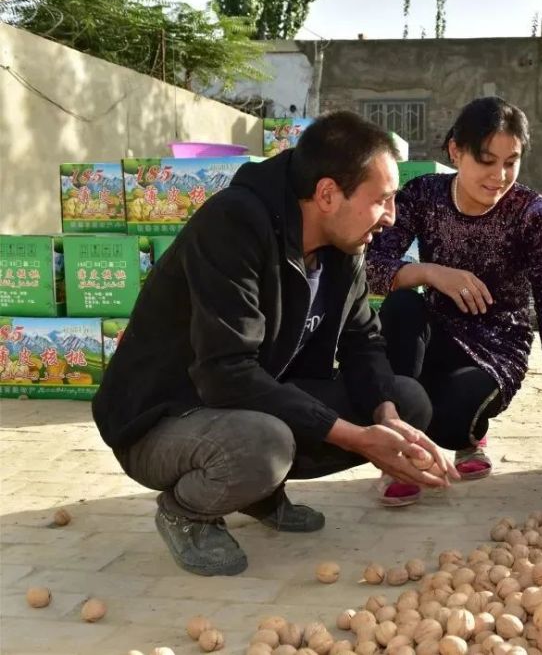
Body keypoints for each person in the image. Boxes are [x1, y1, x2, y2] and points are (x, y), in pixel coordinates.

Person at [92, 112, 457, 577]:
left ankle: (259, 493)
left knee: (405, 402)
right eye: (382, 200)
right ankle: (188, 511)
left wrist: (385, 420)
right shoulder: (233, 225)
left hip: (247, 404)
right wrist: (359, 439)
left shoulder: (346, 246)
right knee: (265, 445)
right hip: (164, 418)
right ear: (327, 194)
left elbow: (364, 340)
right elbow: (228, 373)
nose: (391, 217)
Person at [366, 96, 542, 504]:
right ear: (456, 151)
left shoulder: (532, 213)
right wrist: (430, 272)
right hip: (436, 333)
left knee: (450, 419)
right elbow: (371, 266)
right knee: (402, 307)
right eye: (487, 161)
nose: (499, 176)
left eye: (511, 161)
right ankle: (398, 456)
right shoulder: (424, 195)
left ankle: (470, 436)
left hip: (496, 351)